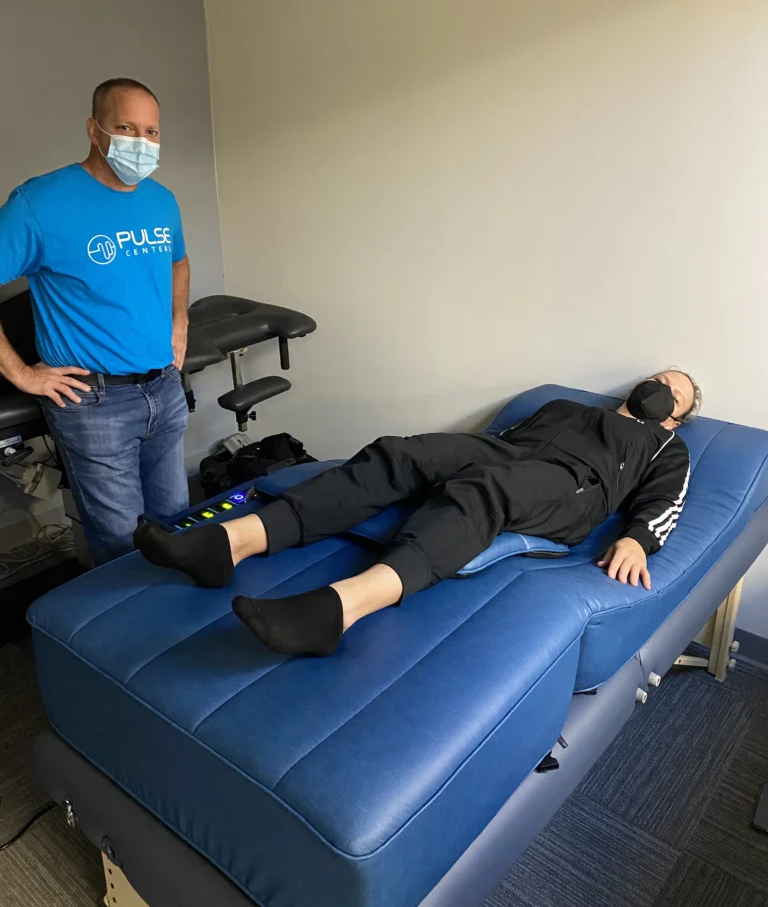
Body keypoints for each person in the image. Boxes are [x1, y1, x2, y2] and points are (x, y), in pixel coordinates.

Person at [136, 370, 700, 657]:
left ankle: (338, 612)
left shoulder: (663, 446)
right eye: (661, 375)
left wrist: (638, 539)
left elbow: (663, 505)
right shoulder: (565, 405)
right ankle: (229, 542)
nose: (661, 384)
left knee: (487, 489)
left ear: (678, 415)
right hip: (509, 451)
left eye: (675, 389)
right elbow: (500, 442)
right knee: (401, 452)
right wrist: (440, 465)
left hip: (575, 486)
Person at [0, 78, 190, 565]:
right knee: (123, 549)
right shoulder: (39, 203)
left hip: (164, 387)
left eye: (151, 132)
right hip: (93, 401)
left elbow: (178, 261)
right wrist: (22, 373)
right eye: (126, 127)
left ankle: (174, 635)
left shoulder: (161, 199)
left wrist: (180, 322)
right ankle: (127, 641)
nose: (141, 142)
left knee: (177, 526)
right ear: (94, 129)